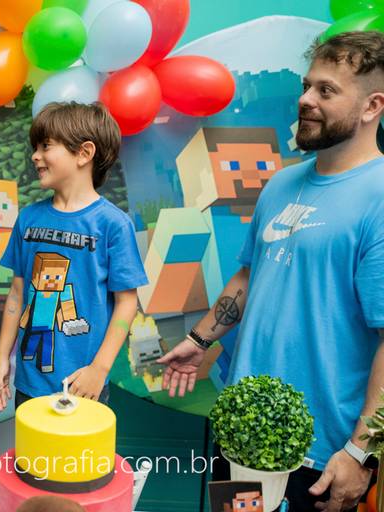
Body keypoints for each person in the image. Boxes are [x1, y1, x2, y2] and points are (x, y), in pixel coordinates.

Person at [157, 31, 384, 512]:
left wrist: (361, 451)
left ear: (372, 107)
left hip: (319, 454)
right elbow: (250, 275)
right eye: (306, 86)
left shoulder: (380, 195)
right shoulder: (281, 183)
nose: (305, 99)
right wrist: (199, 340)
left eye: (326, 90)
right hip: (241, 434)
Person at [0, 102, 147, 411]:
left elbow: (127, 303)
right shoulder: (28, 219)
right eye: (35, 147)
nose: (35, 156)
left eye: (46, 146)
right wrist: (1, 357)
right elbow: (17, 293)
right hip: (29, 384)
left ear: (84, 153)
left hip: (84, 386)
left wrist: (99, 370)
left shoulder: (113, 225)